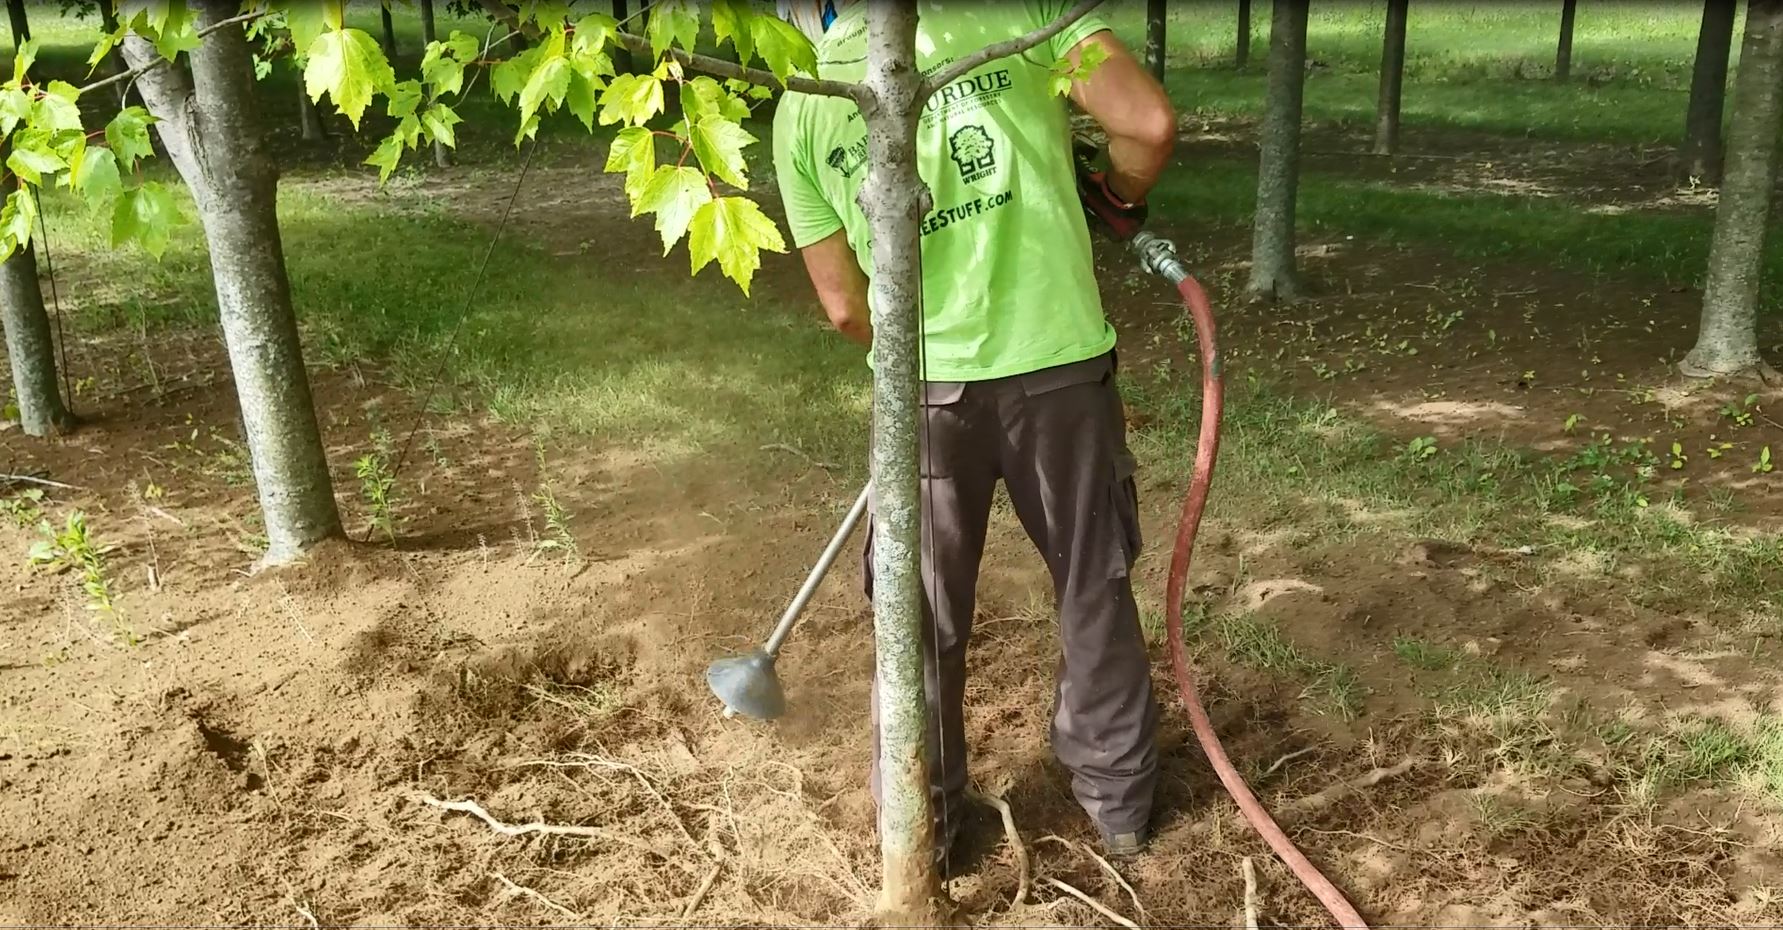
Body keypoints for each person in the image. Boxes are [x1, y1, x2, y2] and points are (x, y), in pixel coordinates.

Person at [771, 1, 1177, 859]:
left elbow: (844, 307)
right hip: (1060, 374)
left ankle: (922, 830)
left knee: (915, 617)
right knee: (1091, 587)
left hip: (923, 394)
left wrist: (917, 358)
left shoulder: (804, 103)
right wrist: (1114, 194)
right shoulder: (1024, 14)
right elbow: (1144, 125)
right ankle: (1118, 809)